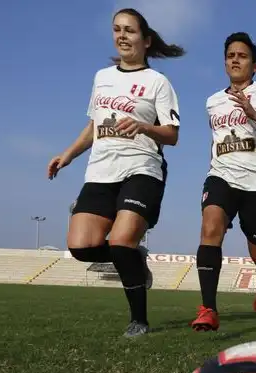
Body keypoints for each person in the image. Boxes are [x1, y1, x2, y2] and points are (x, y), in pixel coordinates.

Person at [47, 8, 183, 338]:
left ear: (146, 40)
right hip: (101, 171)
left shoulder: (157, 83)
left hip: (142, 168)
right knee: (80, 247)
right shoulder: (102, 77)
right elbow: (94, 126)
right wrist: (67, 154)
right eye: (117, 29)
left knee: (121, 240)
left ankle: (139, 320)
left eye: (130, 31)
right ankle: (135, 257)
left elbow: (172, 134)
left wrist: (144, 126)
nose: (122, 35)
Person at [190, 32, 256, 332]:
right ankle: (208, 309)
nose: (235, 59)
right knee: (210, 227)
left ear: (255, 66)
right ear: (225, 63)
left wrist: (255, 114)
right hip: (222, 176)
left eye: (243, 55)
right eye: (230, 55)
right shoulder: (212, 102)